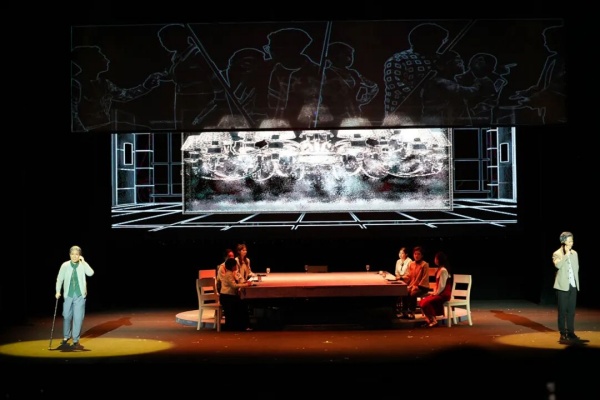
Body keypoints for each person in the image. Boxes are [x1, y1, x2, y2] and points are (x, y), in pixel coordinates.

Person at [55, 245, 95, 349]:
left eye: (77, 254)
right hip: (68, 295)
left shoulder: (82, 265)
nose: (74, 256)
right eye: (72, 254)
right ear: (69, 255)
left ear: (80, 255)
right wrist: (58, 291)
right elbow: (60, 279)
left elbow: (91, 273)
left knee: (78, 318)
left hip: (79, 295)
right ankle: (66, 336)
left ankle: (76, 340)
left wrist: (84, 262)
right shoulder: (65, 265)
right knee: (66, 316)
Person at [552, 231, 585, 344]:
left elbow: (577, 268)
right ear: (564, 241)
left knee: (571, 311)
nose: (572, 242)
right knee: (562, 311)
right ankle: (562, 333)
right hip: (562, 286)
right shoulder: (557, 253)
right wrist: (566, 255)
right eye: (570, 241)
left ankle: (571, 332)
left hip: (573, 286)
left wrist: (575, 283)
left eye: (572, 240)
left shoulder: (574, 253)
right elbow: (558, 265)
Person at [419, 251, 452, 327]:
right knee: (422, 301)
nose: (435, 260)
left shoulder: (443, 270)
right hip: (439, 293)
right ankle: (429, 320)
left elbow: (442, 285)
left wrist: (435, 293)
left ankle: (433, 321)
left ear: (439, 260)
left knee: (425, 302)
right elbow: (438, 285)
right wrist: (434, 292)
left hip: (443, 294)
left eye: (436, 258)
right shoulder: (439, 269)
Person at [219, 257, 253, 331]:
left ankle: (241, 325)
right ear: (232, 266)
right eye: (235, 265)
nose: (236, 266)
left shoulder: (232, 273)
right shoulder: (229, 274)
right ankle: (243, 325)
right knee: (243, 304)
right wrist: (246, 285)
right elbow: (234, 286)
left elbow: (237, 281)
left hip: (229, 296)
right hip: (227, 297)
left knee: (243, 303)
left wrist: (244, 282)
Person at [399, 246, 430, 319]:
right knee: (404, 292)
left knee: (412, 294)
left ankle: (412, 312)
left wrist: (418, 286)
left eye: (418, 254)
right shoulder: (411, 264)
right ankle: (404, 312)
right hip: (413, 285)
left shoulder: (424, 264)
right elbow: (408, 275)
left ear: (422, 255)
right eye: (415, 254)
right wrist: (401, 278)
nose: (416, 256)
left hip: (423, 287)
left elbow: (425, 278)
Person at [394, 247, 412, 314]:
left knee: (404, 292)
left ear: (406, 254)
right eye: (399, 253)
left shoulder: (410, 261)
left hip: (407, 281)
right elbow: (396, 272)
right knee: (393, 290)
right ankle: (395, 309)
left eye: (402, 253)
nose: (400, 254)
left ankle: (405, 310)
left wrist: (401, 277)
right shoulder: (398, 261)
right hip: (399, 280)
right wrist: (398, 277)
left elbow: (409, 274)